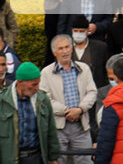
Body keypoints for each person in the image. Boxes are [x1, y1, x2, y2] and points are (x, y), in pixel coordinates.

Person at [40, 35, 96, 164]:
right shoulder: (46, 73)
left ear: (72, 48)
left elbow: (92, 92)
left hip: (81, 126)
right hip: (57, 128)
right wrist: (66, 111)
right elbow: (45, 99)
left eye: (67, 47)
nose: (65, 51)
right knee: (57, 161)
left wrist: (80, 109)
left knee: (85, 161)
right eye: (60, 48)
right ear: (54, 52)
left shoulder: (84, 68)